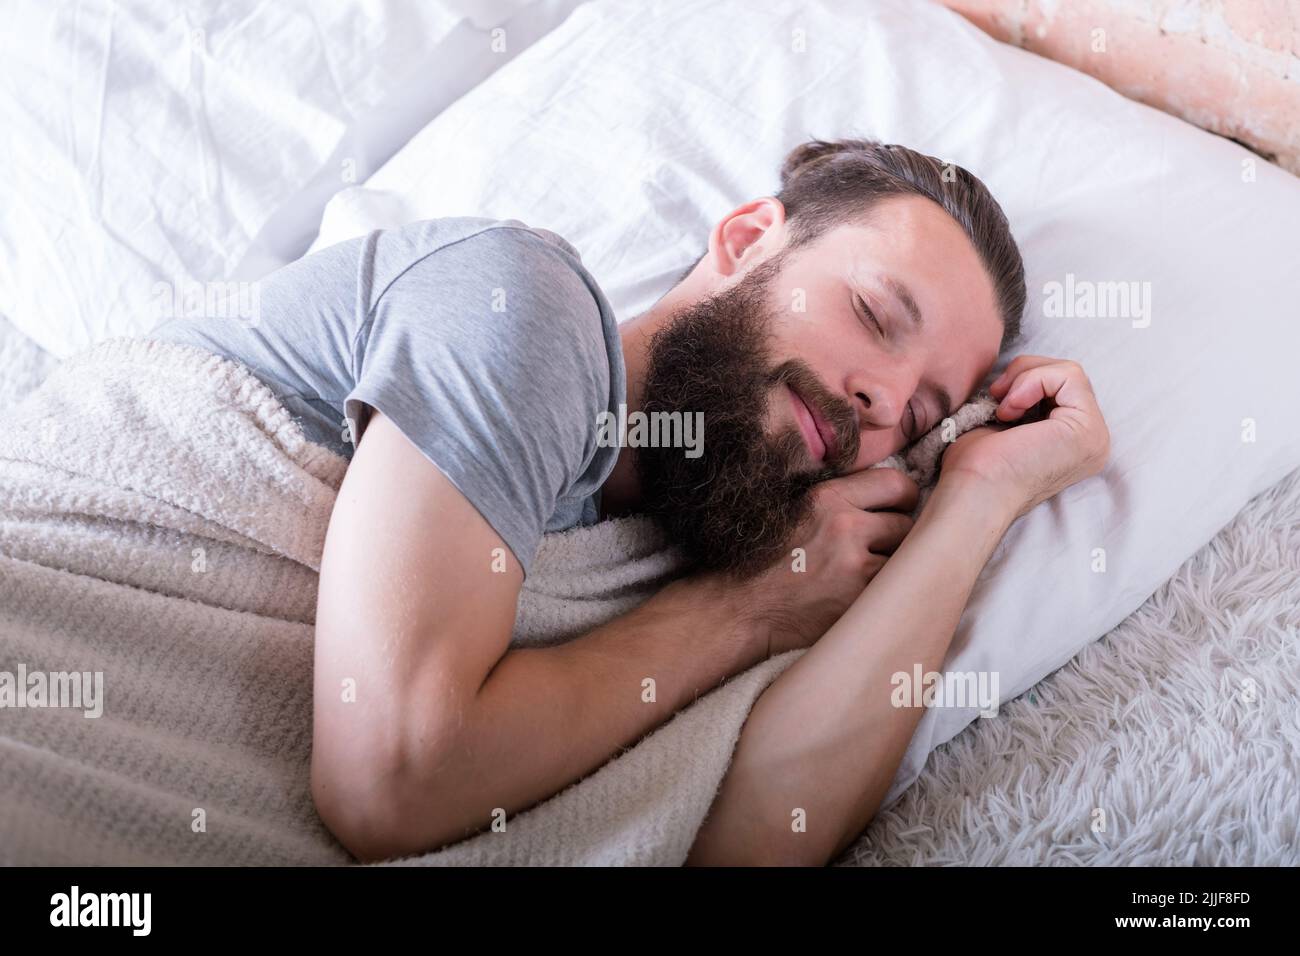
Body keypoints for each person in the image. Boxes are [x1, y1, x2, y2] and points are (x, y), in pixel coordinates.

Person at [149, 138, 1110, 866]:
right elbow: (390, 779)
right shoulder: (523, 303)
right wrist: (744, 612)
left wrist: (980, 498)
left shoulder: (736, 544)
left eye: (925, 415)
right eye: (872, 315)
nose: (884, 403)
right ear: (745, 241)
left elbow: (757, 840)